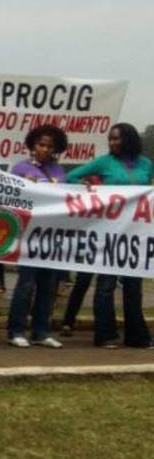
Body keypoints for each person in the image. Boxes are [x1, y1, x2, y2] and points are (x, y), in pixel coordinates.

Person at [66, 123, 153, 349]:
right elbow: (71, 177)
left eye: (117, 139)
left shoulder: (146, 164)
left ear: (130, 139)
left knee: (134, 287)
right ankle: (105, 334)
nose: (112, 143)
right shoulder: (104, 162)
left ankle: (137, 336)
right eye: (110, 139)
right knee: (106, 285)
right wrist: (85, 186)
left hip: (135, 235)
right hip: (108, 232)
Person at [6, 124, 68, 348]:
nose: (45, 149)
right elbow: (9, 196)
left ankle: (41, 332)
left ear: (56, 149)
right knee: (25, 284)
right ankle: (16, 330)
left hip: (51, 236)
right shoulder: (20, 169)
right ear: (32, 145)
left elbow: (67, 198)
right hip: (28, 234)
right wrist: (24, 186)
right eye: (41, 144)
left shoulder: (60, 172)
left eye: (50, 146)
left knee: (48, 286)